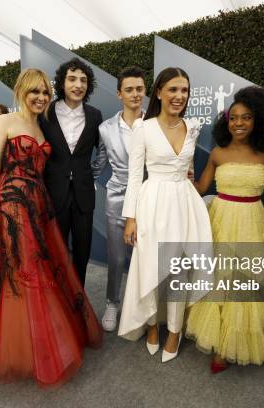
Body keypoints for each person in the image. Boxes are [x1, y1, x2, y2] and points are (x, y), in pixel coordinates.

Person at [0, 68, 102, 388]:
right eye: (34, 92)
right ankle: (25, 346)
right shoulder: (5, 122)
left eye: (45, 92)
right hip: (11, 203)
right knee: (23, 272)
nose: (41, 97)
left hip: (38, 204)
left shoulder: (42, 124)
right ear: (20, 92)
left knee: (35, 269)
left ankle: (38, 334)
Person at [185, 86, 264, 373]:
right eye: (233, 117)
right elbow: (202, 188)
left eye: (246, 117)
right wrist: (175, 176)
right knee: (218, 279)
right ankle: (217, 343)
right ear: (226, 121)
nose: (238, 123)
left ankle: (230, 348)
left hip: (253, 223)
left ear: (259, 121)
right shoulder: (217, 153)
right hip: (220, 220)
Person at [118, 67, 213, 363]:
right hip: (152, 203)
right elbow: (135, 176)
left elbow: (190, 170)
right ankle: (150, 325)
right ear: (159, 92)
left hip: (184, 204)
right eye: (173, 89)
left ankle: (174, 330)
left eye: (184, 90)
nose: (179, 96)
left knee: (179, 270)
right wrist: (131, 217)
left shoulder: (193, 126)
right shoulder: (142, 129)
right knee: (150, 267)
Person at [38, 58, 103, 287]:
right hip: (54, 193)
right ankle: (58, 302)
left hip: (84, 195)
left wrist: (87, 175)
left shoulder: (95, 115)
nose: (78, 85)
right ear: (62, 83)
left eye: (83, 80)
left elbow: (102, 152)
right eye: (72, 79)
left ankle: (79, 300)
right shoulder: (46, 113)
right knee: (56, 251)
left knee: (82, 252)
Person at [91, 66, 146, 331]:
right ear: (119, 94)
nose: (135, 94)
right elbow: (99, 164)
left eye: (139, 89)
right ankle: (113, 302)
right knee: (116, 257)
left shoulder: (155, 124)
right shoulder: (105, 128)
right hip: (116, 196)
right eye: (129, 90)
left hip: (148, 197)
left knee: (146, 256)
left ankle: (143, 306)